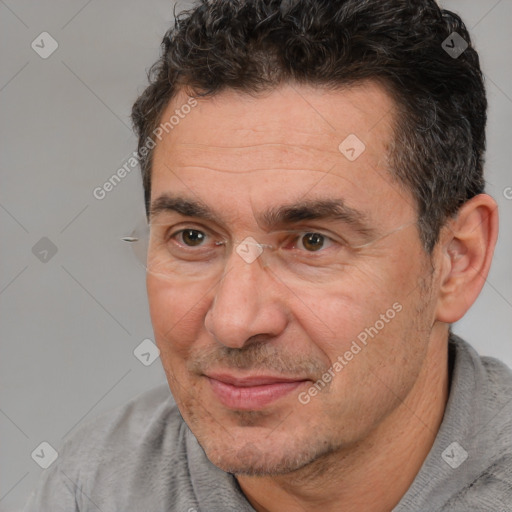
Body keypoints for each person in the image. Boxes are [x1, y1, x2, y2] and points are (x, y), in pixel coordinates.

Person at [25, 0, 512, 510]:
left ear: (457, 261)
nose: (234, 322)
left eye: (312, 241)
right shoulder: (95, 487)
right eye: (192, 237)